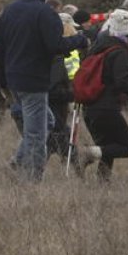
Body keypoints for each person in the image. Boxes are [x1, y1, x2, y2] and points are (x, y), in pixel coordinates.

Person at [0, 0, 89, 182]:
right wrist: (80, 40)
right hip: (33, 81)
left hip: (13, 79)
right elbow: (56, 45)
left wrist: (2, 79)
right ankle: (33, 179)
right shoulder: (45, 12)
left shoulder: (10, 10)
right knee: (37, 133)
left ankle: (16, 163)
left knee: (47, 121)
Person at [76, 9, 128, 180]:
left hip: (89, 108)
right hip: (106, 108)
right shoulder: (119, 52)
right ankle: (88, 153)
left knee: (108, 147)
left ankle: (103, 183)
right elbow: (123, 82)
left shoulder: (98, 47)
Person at [46, 13, 83, 165]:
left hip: (58, 106)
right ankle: (77, 168)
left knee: (54, 140)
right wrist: (73, 94)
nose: (75, 32)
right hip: (55, 107)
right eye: (72, 28)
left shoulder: (56, 53)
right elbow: (53, 90)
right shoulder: (58, 58)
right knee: (61, 137)